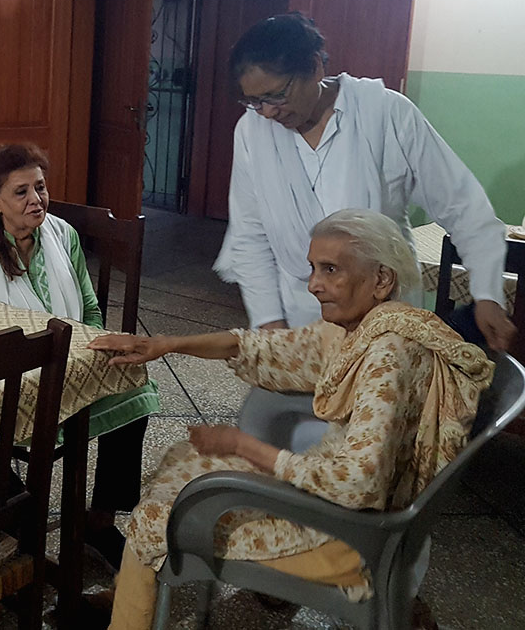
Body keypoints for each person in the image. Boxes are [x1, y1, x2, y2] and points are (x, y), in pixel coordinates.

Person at [89, 210, 494, 630]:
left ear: (381, 280)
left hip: (351, 540)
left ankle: (132, 602)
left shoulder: (385, 356)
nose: (314, 284)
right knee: (182, 460)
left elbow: (357, 483)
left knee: (154, 516)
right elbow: (265, 349)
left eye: (331, 270)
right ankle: (132, 591)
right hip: (363, 521)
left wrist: (241, 445)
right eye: (314, 268)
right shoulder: (373, 329)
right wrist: (165, 343)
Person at [214, 12, 515, 352]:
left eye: (275, 95)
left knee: (384, 399)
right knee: (308, 404)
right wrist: (271, 325)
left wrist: (488, 294)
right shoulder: (252, 131)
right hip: (298, 316)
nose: (267, 112)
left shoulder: (385, 113)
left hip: (386, 318)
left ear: (314, 67)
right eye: (253, 101)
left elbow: (464, 208)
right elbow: (251, 234)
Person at [0, 142, 160, 568]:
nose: (35, 200)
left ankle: (99, 519)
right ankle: (15, 534)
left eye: (40, 188)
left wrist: (95, 347)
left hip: (69, 362)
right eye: (21, 191)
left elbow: (90, 308)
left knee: (136, 389)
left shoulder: (62, 234)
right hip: (5, 371)